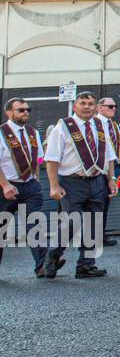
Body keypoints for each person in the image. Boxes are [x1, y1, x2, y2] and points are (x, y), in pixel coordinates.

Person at [43, 92, 120, 279]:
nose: (87, 107)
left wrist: (111, 179)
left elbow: (109, 155)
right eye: (83, 103)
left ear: (95, 107)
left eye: (90, 103)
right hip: (72, 182)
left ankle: (86, 265)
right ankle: (53, 256)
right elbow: (52, 159)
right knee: (71, 222)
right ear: (75, 106)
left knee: (94, 224)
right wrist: (54, 186)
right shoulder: (63, 127)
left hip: (97, 180)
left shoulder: (100, 126)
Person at [1, 96, 49, 276]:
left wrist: (36, 178)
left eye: (27, 110)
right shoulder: (2, 132)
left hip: (29, 186)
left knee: (34, 224)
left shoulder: (33, 133)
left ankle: (42, 265)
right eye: (21, 110)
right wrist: (5, 185)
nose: (25, 113)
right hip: (6, 186)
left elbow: (37, 158)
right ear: (9, 112)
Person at [96, 96, 120, 247]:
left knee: (105, 202)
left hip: (113, 166)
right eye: (110, 106)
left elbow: (119, 147)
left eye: (114, 106)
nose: (113, 108)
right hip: (99, 168)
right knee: (98, 202)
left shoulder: (114, 125)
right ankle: (94, 236)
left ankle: (100, 235)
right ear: (100, 108)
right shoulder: (94, 124)